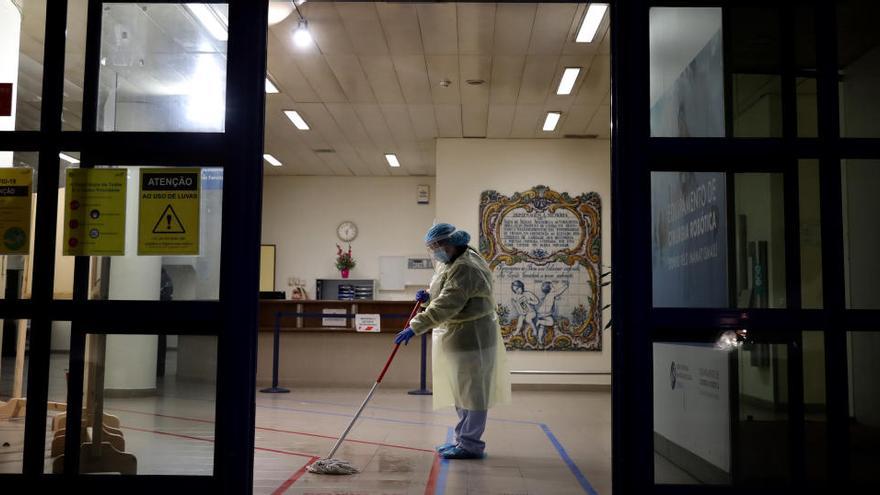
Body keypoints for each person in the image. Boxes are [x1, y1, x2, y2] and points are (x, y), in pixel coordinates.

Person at [395, 223, 511, 459]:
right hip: (459, 336)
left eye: (434, 247)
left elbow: (448, 303)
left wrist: (415, 326)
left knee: (474, 393)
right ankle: (462, 440)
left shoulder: (466, 266)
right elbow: (443, 292)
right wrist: (428, 296)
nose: (433, 253)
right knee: (462, 392)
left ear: (447, 244)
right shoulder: (452, 261)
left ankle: (471, 445)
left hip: (472, 337)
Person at [534, 280, 568, 346]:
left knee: (542, 327)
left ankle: (539, 339)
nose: (554, 287)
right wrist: (565, 286)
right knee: (551, 322)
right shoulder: (552, 294)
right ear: (550, 289)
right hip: (545, 313)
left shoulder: (549, 295)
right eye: (552, 286)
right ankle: (539, 322)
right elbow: (559, 292)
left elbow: (556, 297)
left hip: (541, 312)